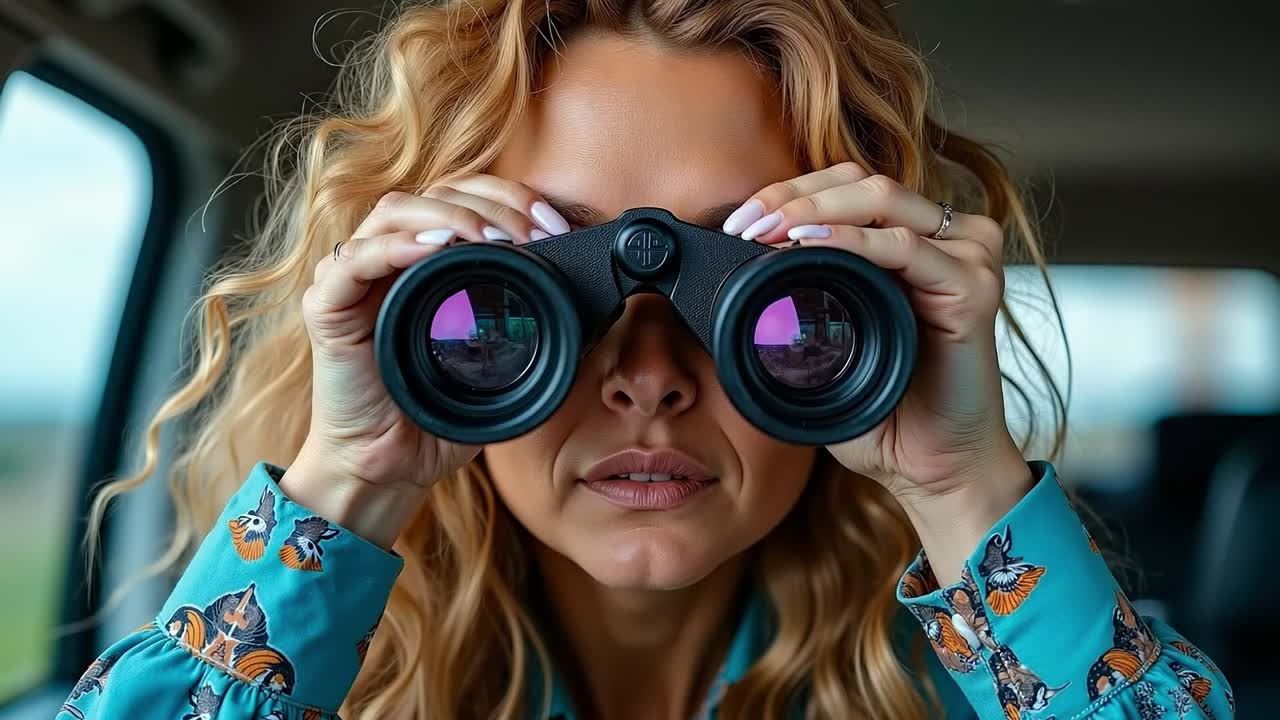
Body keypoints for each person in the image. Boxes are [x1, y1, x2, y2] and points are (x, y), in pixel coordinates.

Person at [60, 1, 1233, 718]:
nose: (650, 374)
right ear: (406, 318)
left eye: (769, 297)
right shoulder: (334, 688)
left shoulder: (955, 688)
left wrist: (958, 486)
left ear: (873, 315)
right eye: (513, 303)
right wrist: (353, 479)